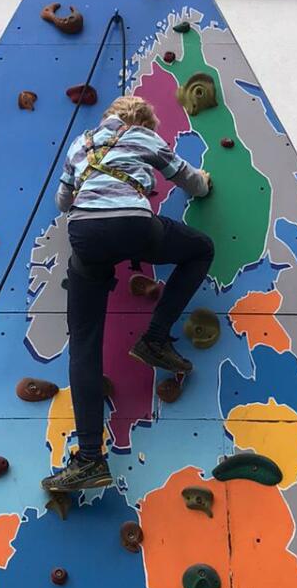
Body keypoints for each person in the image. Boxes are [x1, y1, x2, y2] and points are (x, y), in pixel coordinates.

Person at [44, 95, 214, 494]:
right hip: (134, 227)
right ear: (144, 122)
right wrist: (205, 184)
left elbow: (63, 201)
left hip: (86, 235)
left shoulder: (80, 144)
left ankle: (88, 459)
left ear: (108, 118)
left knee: (84, 345)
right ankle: (155, 338)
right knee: (200, 249)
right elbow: (189, 180)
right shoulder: (143, 137)